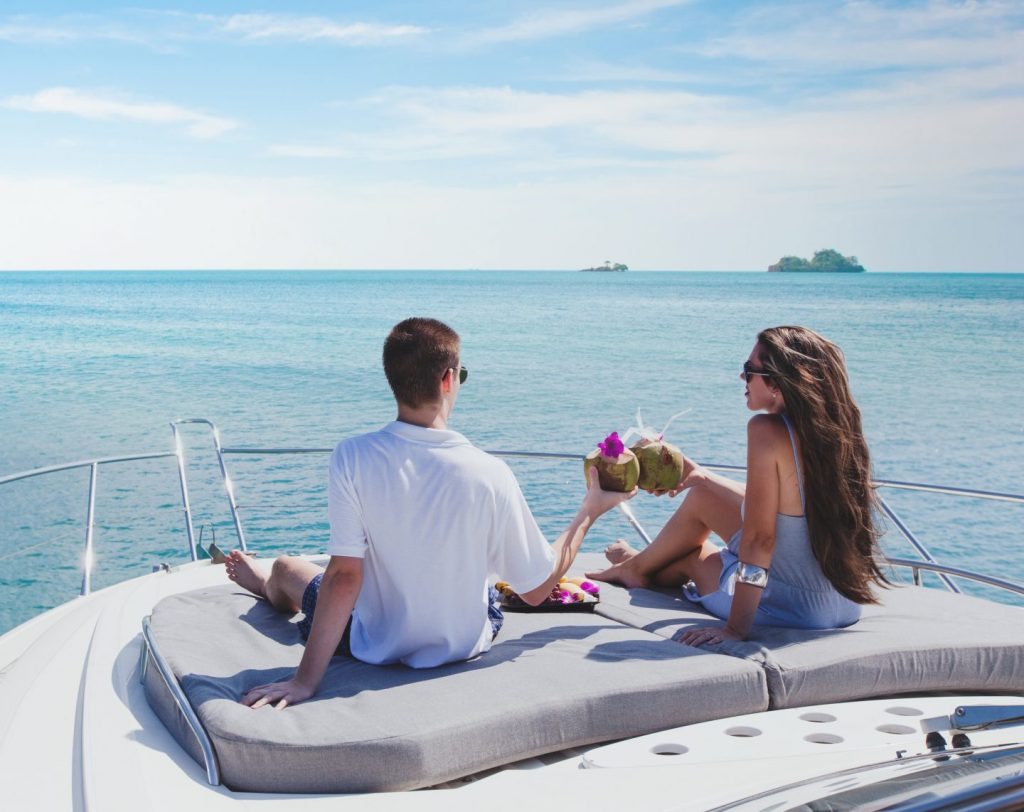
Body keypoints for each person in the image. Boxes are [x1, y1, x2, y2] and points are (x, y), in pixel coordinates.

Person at [226, 317, 634, 709]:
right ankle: (268, 583)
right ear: (448, 379)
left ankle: (267, 584)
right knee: (485, 581)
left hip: (373, 644)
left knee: (286, 567)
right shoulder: (491, 472)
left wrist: (304, 681)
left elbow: (345, 576)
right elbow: (536, 589)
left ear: (394, 381)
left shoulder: (352, 456)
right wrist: (590, 510)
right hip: (466, 642)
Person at [587, 325, 888, 646]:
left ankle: (637, 567)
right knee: (702, 495)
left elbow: (761, 539)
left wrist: (735, 629)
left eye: (749, 371)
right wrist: (701, 475)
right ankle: (637, 564)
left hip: (791, 609)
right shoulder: (840, 432)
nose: (742, 379)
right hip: (843, 603)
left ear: (776, 381)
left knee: (695, 554)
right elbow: (788, 509)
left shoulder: (765, 430)